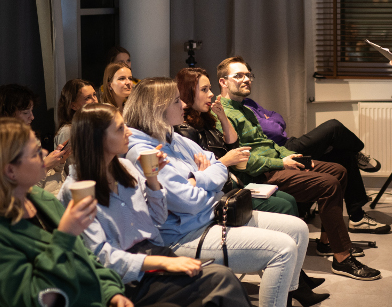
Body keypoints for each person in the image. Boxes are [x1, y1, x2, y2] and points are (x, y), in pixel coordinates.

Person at [122, 77, 310, 307]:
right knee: (283, 249)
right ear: (156, 109)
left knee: (298, 229)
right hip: (182, 235)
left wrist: (198, 179)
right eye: (176, 101)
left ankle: (284, 300)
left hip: (211, 216)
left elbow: (217, 165)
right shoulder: (144, 153)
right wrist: (211, 179)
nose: (184, 105)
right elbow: (189, 201)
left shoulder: (173, 136)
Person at [59, 103, 251, 307]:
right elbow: (102, 256)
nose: (128, 133)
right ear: (97, 138)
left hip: (155, 253)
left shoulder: (125, 168)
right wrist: (164, 262)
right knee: (221, 280)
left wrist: (152, 179)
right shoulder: (76, 189)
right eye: (120, 128)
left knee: (220, 282)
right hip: (126, 279)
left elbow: (158, 218)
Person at [219, 66, 382, 281]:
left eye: (248, 75)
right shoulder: (222, 115)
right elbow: (242, 160)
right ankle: (343, 258)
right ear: (223, 81)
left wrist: (292, 157)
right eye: (238, 76)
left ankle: (326, 242)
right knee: (329, 184)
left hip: (276, 163)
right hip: (261, 174)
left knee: (339, 171)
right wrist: (281, 163)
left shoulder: (246, 109)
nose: (246, 79)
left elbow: (269, 143)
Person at [0, 118, 130, 307]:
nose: (45, 153)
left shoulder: (40, 198)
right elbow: (37, 299)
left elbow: (84, 259)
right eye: (35, 152)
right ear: (10, 171)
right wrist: (65, 235)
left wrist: (111, 293)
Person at [176, 67, 300, 216]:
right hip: (220, 190)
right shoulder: (185, 129)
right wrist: (226, 160)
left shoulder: (206, 118)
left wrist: (223, 117)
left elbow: (232, 144)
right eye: (204, 90)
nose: (211, 94)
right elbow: (200, 174)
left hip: (231, 181)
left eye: (210, 88)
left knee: (289, 199)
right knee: (285, 205)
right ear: (188, 93)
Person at [0, 84, 70, 195]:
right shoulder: (1, 147)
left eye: (31, 111)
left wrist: (59, 161)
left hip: (57, 194)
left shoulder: (30, 137)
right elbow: (22, 191)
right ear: (6, 114)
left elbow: (52, 178)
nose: (32, 117)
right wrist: (45, 166)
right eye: (26, 112)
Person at [55, 78, 98, 149]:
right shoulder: (68, 131)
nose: (95, 101)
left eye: (94, 95)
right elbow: (68, 156)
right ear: (73, 105)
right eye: (87, 98)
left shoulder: (93, 124)